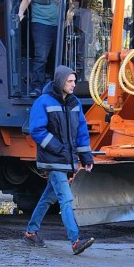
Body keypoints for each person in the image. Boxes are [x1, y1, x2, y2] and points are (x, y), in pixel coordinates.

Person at [23, 65, 96, 255]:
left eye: (74, 81)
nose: (73, 85)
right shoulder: (43, 102)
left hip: (65, 158)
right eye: (69, 81)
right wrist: (58, 148)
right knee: (66, 199)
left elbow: (81, 132)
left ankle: (31, 231)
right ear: (60, 81)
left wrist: (86, 157)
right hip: (52, 160)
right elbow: (37, 131)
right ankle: (75, 241)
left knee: (48, 198)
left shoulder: (74, 103)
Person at [18, 0, 62, 92]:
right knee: (41, 57)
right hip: (41, 24)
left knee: (57, 56)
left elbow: (71, 0)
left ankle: (55, 85)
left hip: (59, 25)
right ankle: (37, 86)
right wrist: (20, 13)